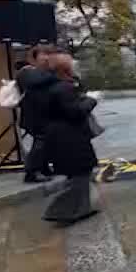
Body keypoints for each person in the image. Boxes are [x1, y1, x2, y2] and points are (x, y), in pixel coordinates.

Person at [42, 52, 99, 225]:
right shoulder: (62, 88)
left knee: (80, 173)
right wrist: (91, 100)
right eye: (72, 63)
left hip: (63, 135)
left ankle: (81, 209)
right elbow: (75, 112)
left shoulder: (56, 85)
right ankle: (58, 210)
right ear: (65, 68)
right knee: (80, 173)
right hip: (69, 136)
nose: (75, 65)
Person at [16, 44, 58, 183]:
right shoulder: (26, 71)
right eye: (43, 54)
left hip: (46, 113)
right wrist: (54, 74)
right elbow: (34, 82)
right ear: (34, 57)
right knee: (40, 142)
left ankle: (43, 168)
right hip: (33, 115)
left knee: (47, 142)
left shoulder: (47, 72)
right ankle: (31, 172)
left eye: (49, 54)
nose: (47, 57)